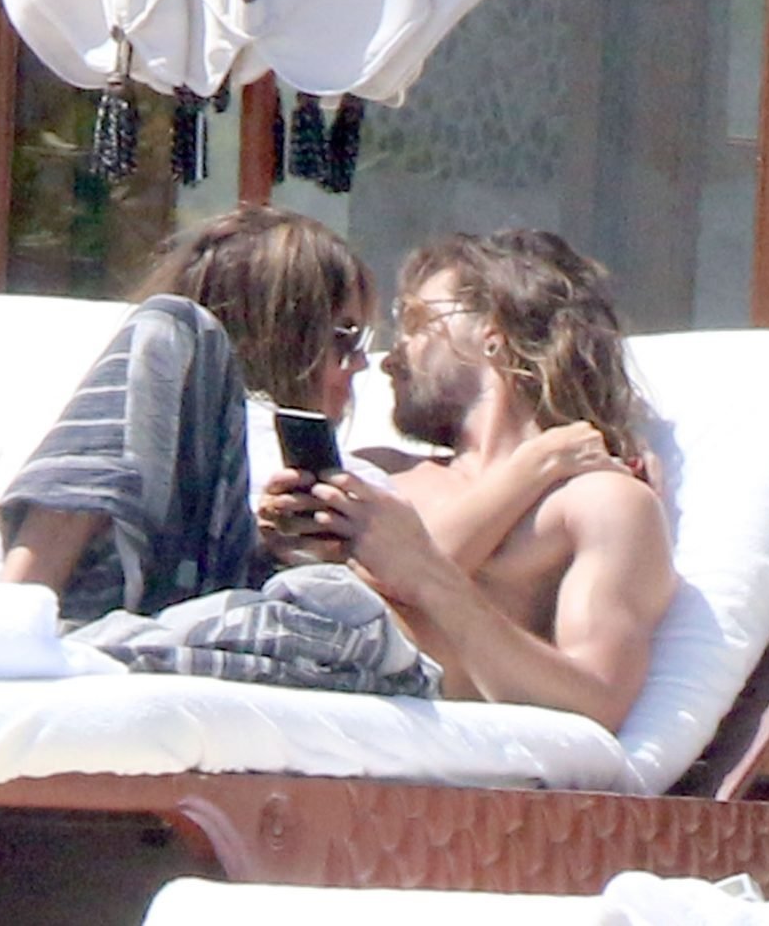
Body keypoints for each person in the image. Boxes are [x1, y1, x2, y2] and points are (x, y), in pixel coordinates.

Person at [258, 230, 678, 732]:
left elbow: (597, 704)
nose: (390, 358)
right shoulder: (379, 469)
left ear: (492, 336)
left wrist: (432, 580)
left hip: (318, 680)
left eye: (417, 321)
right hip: (252, 631)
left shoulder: (597, 502)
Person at [0, 204, 379, 624]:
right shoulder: (139, 414)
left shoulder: (361, 489)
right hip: (125, 612)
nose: (361, 364)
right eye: (345, 337)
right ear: (285, 334)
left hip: (224, 623)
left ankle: (8, 623)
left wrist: (293, 555)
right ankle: (10, 621)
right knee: (167, 323)